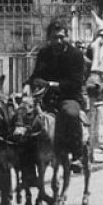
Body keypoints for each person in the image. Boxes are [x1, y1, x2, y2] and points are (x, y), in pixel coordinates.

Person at [25, 19, 86, 161]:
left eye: (61, 37)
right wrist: (30, 83)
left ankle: (76, 154)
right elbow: (37, 74)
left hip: (69, 96)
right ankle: (28, 168)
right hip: (45, 98)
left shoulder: (75, 55)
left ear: (67, 37)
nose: (58, 41)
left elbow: (76, 82)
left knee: (70, 113)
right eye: (54, 37)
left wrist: (53, 85)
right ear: (49, 38)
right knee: (24, 116)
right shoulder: (44, 53)